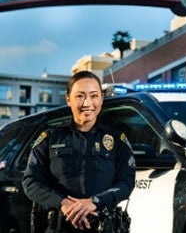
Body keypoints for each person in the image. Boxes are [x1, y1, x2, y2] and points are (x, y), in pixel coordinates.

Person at [22, 71, 136, 232]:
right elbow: (31, 181)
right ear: (68, 99)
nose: (88, 103)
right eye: (80, 96)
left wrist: (95, 202)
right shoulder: (49, 137)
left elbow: (127, 182)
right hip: (60, 227)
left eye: (94, 95)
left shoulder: (117, 140)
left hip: (104, 227)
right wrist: (64, 203)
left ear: (101, 99)